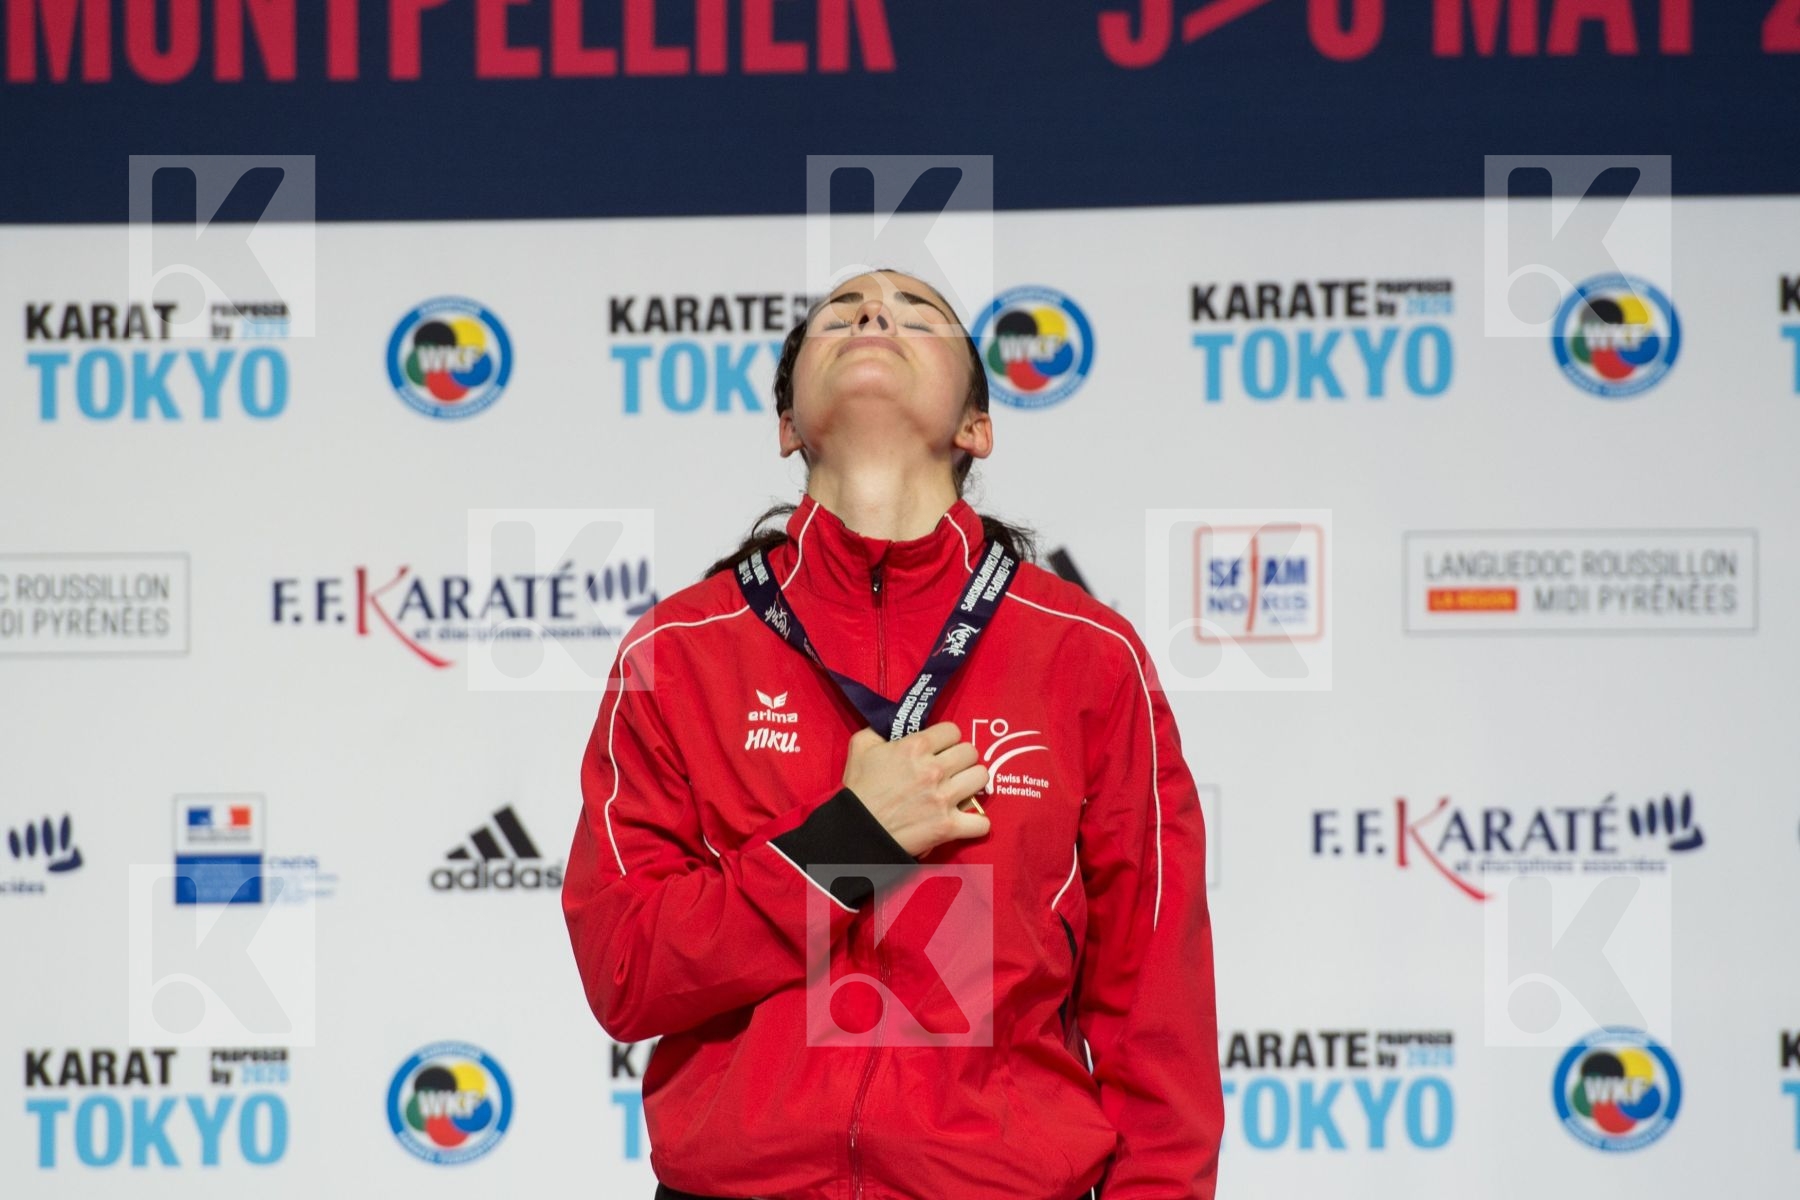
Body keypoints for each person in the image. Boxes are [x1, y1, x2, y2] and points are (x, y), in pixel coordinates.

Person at [562, 267, 1223, 1199]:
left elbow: (1156, 1017)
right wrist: (848, 845)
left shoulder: (1088, 655)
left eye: (919, 313)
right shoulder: (680, 651)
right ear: (789, 424)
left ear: (975, 428)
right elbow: (624, 970)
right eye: (841, 312)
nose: (873, 312)